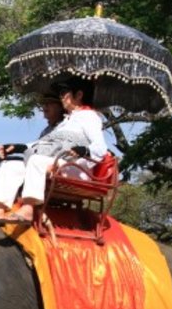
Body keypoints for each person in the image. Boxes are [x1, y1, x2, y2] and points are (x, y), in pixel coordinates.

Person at [8, 76, 110, 224]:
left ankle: (28, 207)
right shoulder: (66, 120)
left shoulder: (89, 116)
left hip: (76, 168)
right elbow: (45, 143)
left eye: (64, 92)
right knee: (9, 166)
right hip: (58, 162)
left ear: (79, 95)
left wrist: (84, 150)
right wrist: (19, 147)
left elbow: (100, 148)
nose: (61, 97)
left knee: (36, 161)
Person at [0, 93, 65, 220]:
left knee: (13, 165)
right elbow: (34, 146)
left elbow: (50, 150)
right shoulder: (47, 130)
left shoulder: (65, 128)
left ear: (60, 107)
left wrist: (23, 150)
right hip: (32, 164)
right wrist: (16, 148)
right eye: (44, 104)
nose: (45, 107)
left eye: (50, 103)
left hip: (46, 167)